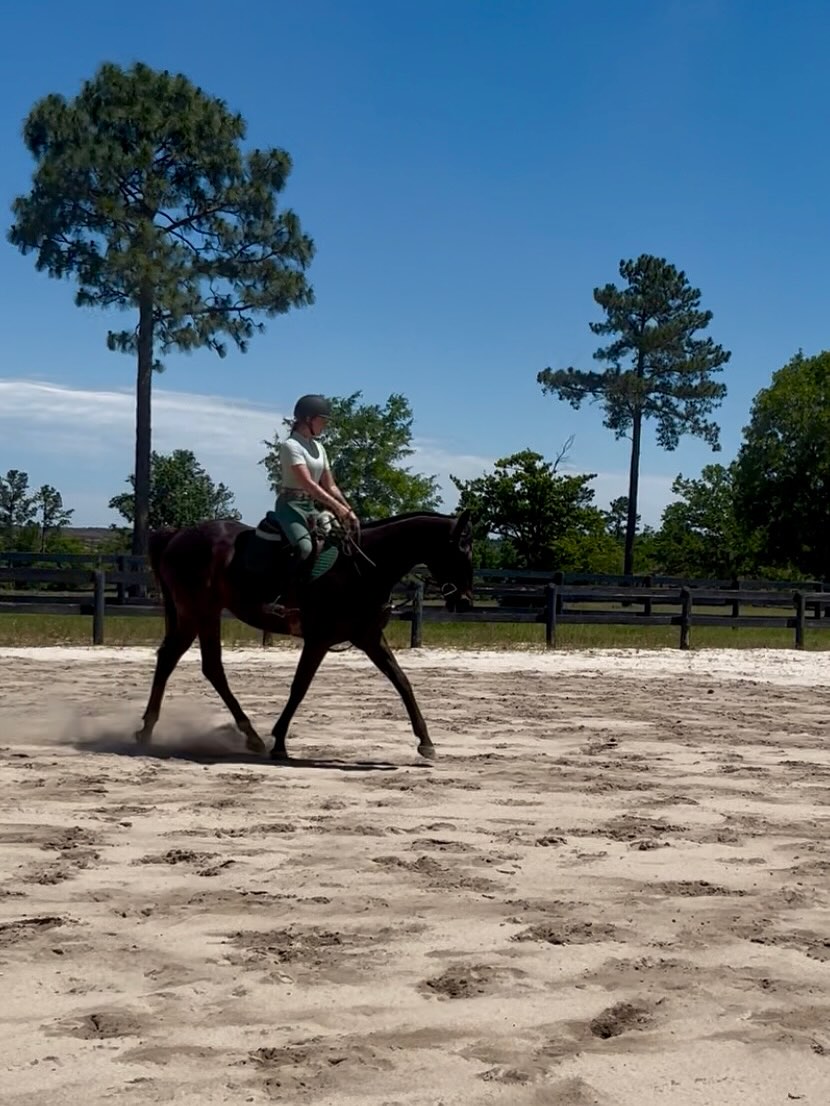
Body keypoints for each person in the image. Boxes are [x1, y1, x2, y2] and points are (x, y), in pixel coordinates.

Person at [266, 394, 358, 616]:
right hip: (290, 506)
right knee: (305, 547)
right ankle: (282, 599)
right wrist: (337, 508)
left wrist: (349, 510)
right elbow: (308, 484)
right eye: (322, 420)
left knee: (337, 543)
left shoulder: (319, 448)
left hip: (310, 508)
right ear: (308, 419)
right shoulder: (291, 446)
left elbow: (330, 485)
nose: (325, 425)